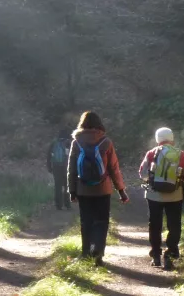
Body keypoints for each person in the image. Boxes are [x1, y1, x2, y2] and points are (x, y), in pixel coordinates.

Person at [67, 111, 129, 266]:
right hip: (103, 190)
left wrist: (72, 191)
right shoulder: (106, 142)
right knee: (101, 221)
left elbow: (72, 169)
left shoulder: (77, 142)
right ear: (99, 124)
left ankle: (85, 253)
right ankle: (98, 253)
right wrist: (121, 191)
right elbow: (114, 168)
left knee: (86, 221)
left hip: (83, 189)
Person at [139, 127, 184, 271]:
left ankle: (156, 256)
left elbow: (143, 174)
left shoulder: (151, 153)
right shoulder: (181, 155)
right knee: (174, 225)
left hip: (154, 195)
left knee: (155, 225)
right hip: (175, 195)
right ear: (172, 139)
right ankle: (170, 255)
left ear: (158, 139)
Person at [46, 130, 72, 210]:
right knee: (66, 185)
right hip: (66, 167)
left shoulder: (53, 143)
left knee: (58, 186)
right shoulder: (68, 143)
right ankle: (67, 204)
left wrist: (49, 167)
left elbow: (49, 156)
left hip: (56, 167)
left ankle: (58, 205)